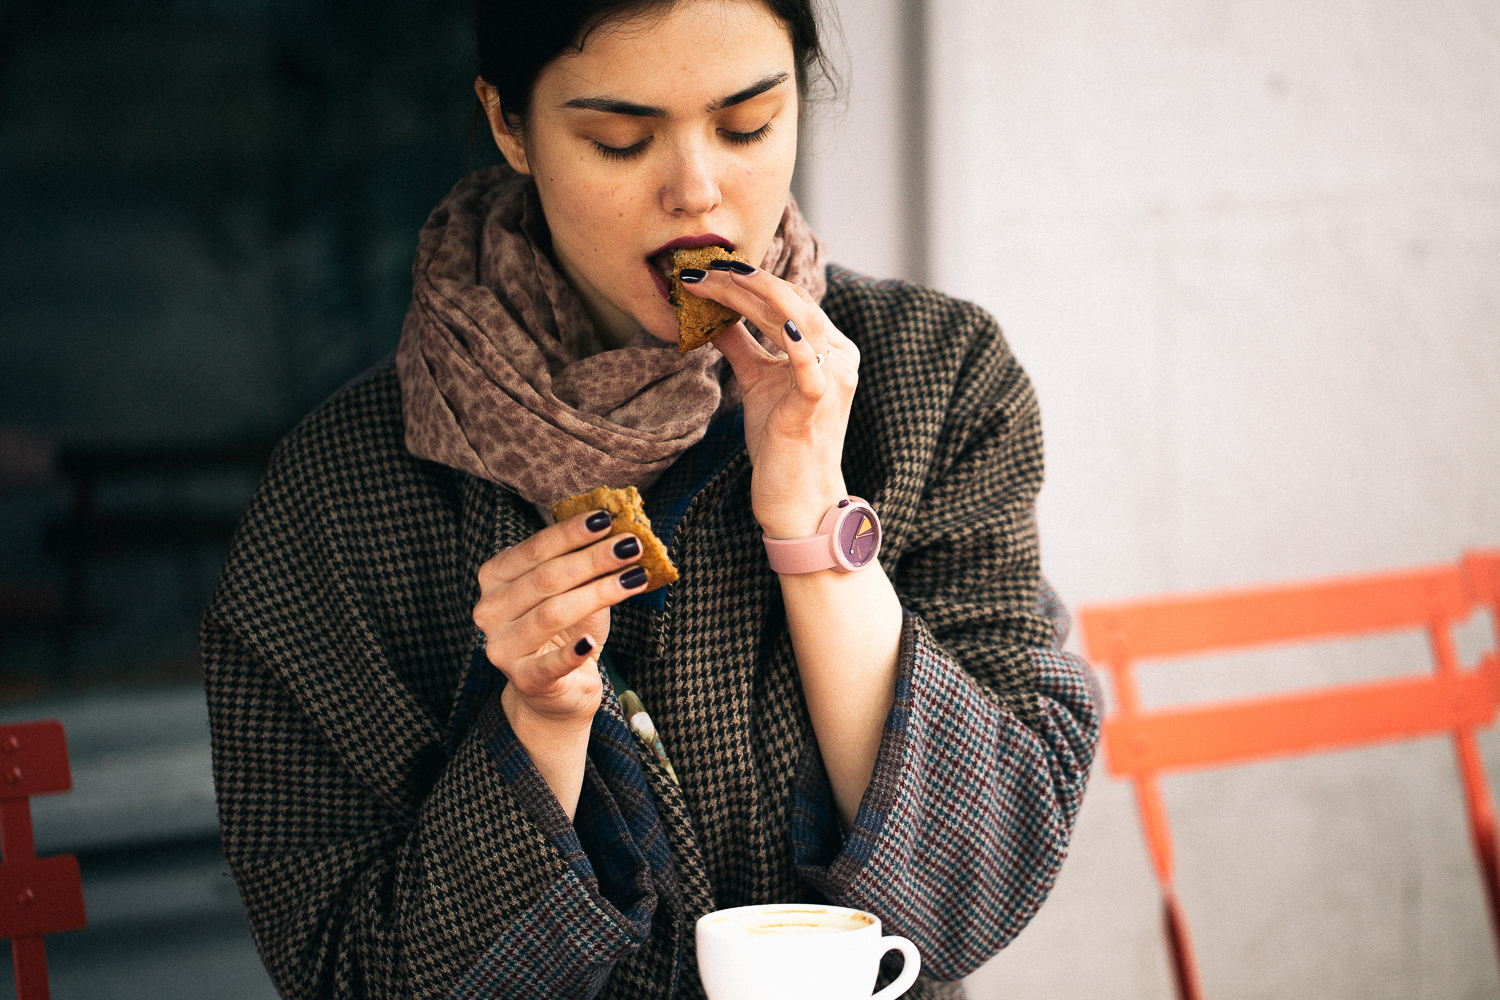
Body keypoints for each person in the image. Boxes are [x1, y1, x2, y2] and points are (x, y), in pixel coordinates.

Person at [202, 1, 1100, 997]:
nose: (698, 193)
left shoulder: (934, 376)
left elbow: (983, 876)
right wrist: (539, 722)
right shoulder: (340, 490)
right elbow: (342, 971)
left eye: (749, 125)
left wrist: (815, 528)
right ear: (510, 125)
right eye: (621, 140)